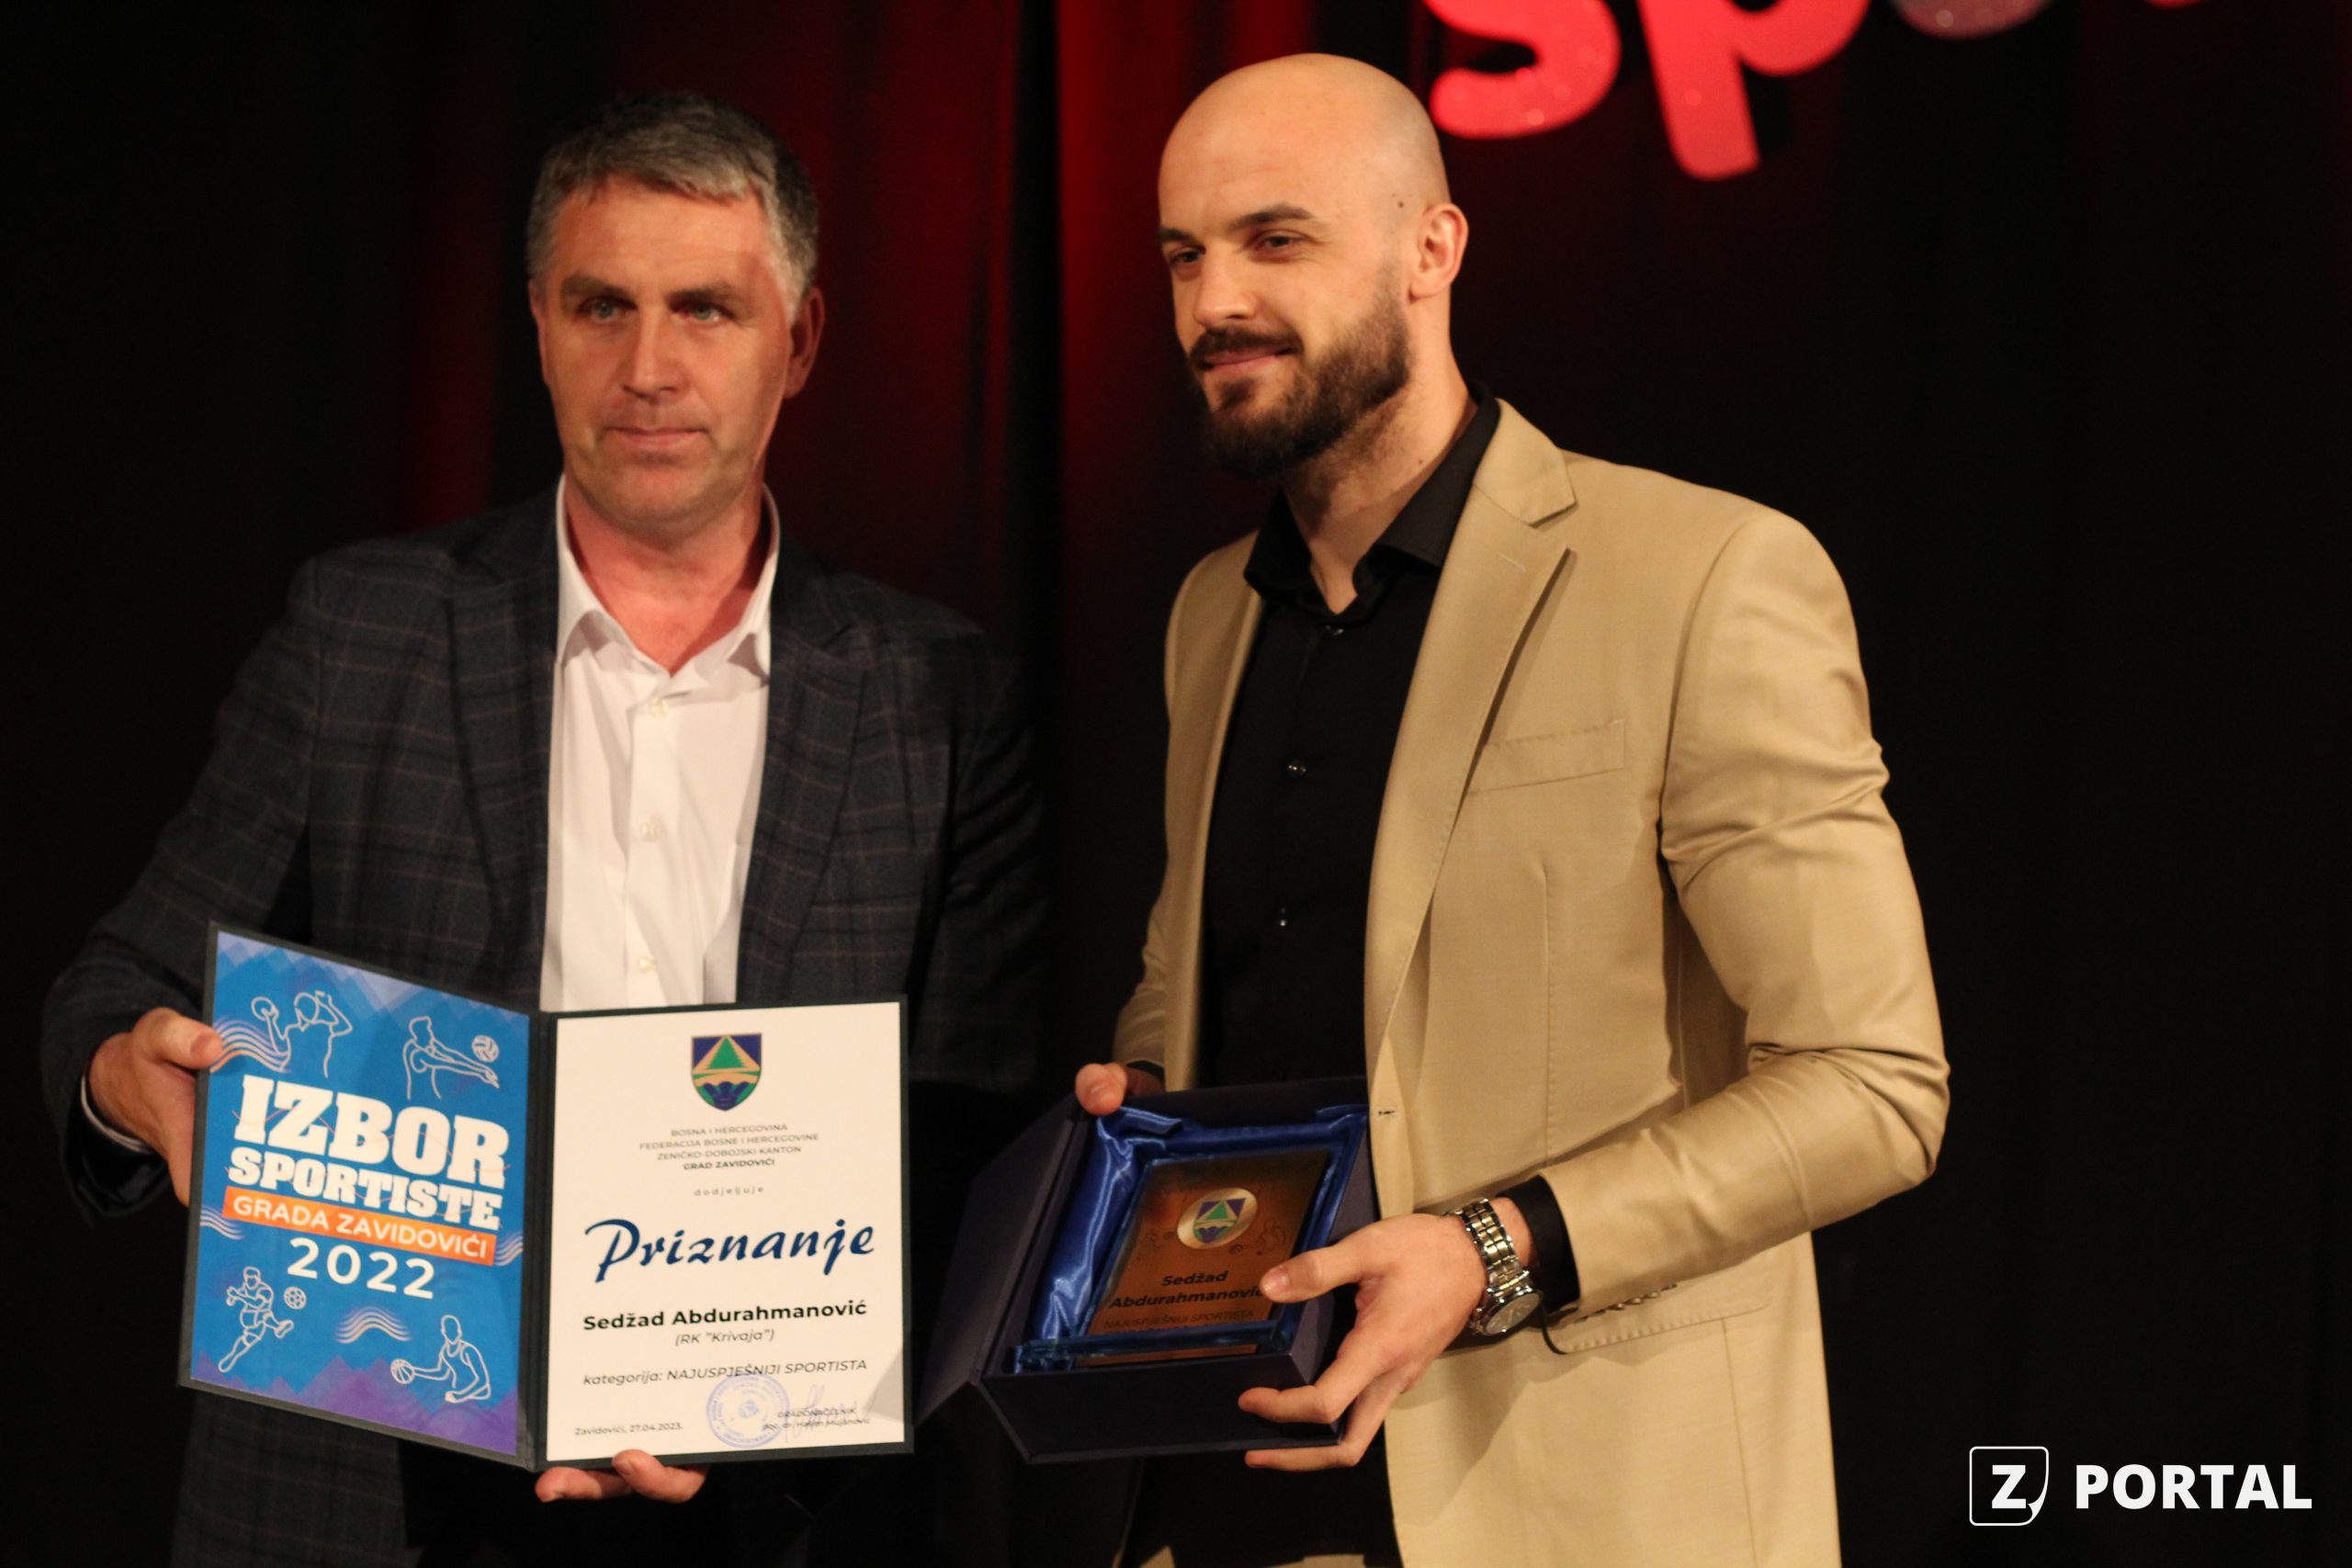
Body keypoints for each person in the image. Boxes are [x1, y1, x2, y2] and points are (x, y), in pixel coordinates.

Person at [42, 92, 1042, 1566]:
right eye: (601, 306)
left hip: (769, 1506)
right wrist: (130, 1077)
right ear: (537, 323)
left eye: (705, 309)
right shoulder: (359, 631)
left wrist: (752, 1399)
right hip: (375, 1495)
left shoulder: (938, 693)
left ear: (800, 342)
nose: (648, 369)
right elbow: (114, 990)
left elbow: (967, 1139)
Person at [1073, 55, 1949, 1566]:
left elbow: (1875, 1084)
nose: (1215, 301)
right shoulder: (1214, 615)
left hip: (1586, 1508)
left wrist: (1495, 1249)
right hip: (1230, 1486)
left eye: (1275, 240)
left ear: (1433, 249)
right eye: (1182, 255)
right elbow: (1201, 976)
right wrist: (1144, 1089)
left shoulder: (1702, 576)